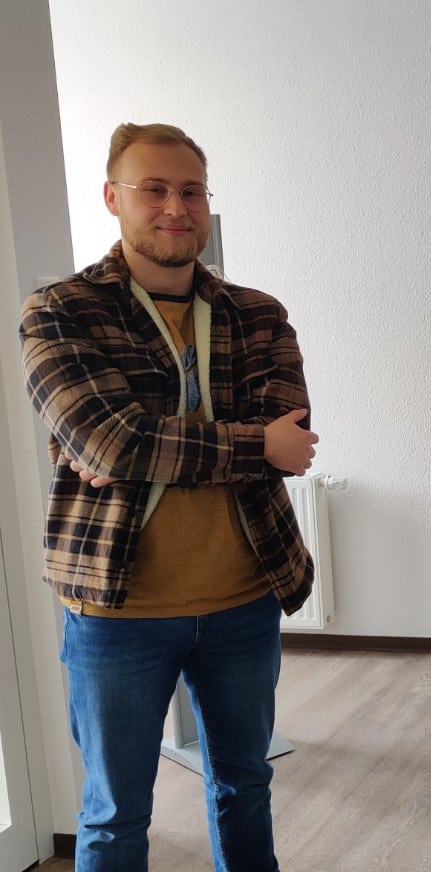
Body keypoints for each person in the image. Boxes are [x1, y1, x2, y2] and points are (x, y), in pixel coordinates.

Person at [19, 122, 319, 871]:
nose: (175, 207)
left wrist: (137, 445)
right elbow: (111, 443)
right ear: (113, 197)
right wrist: (246, 443)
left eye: (191, 190)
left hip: (244, 599)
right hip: (117, 609)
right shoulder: (60, 310)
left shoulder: (258, 313)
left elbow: (290, 439)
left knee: (246, 785)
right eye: (153, 189)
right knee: (114, 815)